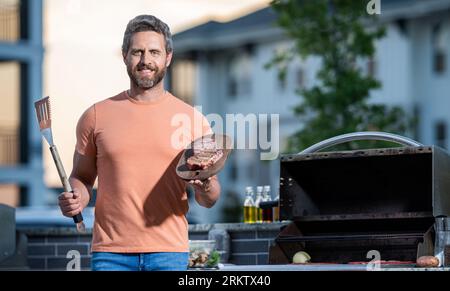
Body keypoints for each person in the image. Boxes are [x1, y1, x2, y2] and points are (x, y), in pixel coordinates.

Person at [57, 15, 221, 271]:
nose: (146, 60)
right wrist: (76, 196)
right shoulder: (95, 116)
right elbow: (82, 177)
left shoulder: (192, 119)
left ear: (168, 56)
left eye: (154, 52)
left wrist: (206, 184)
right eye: (137, 52)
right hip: (111, 254)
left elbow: (209, 199)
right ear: (125, 56)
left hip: (169, 253)